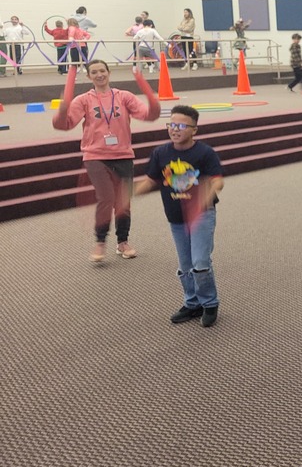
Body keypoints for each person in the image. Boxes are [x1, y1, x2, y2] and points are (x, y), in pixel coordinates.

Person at [52, 59, 161, 262]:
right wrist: (63, 108)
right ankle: (100, 242)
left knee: (123, 202)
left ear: (109, 73)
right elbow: (64, 125)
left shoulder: (124, 97)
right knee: (106, 198)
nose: (99, 74)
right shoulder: (83, 100)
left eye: (102, 70)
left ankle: (122, 242)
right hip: (95, 156)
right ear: (89, 76)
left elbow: (149, 115)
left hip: (123, 155)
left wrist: (150, 96)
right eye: (94, 72)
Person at [135, 105, 224, 328]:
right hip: (176, 217)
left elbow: (217, 181)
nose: (175, 130)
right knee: (185, 265)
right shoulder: (161, 153)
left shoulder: (205, 153)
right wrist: (128, 192)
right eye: (172, 125)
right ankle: (192, 303)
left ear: (194, 129)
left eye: (181, 126)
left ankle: (210, 303)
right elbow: (151, 180)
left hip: (201, 216)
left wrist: (207, 195)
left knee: (200, 262)